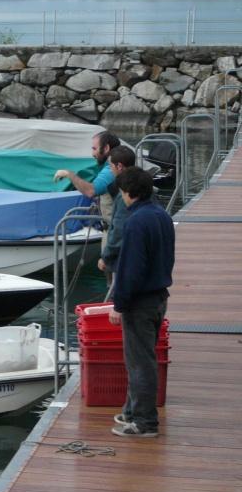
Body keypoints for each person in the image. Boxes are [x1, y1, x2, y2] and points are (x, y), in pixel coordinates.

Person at [109, 167, 175, 438]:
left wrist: (119, 304)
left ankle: (145, 423)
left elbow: (131, 270)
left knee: (140, 363)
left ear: (129, 193)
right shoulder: (162, 215)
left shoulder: (136, 223)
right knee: (141, 359)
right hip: (159, 296)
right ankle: (132, 411)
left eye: (122, 193)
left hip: (141, 302)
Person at [53, 131, 121, 224]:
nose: (92, 154)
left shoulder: (111, 169)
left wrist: (69, 174)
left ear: (106, 148)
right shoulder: (116, 163)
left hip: (114, 228)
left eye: (94, 148)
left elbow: (91, 191)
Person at [97, 145, 136, 280]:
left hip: (125, 251)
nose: (109, 169)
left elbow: (119, 228)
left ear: (119, 166)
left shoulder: (124, 193)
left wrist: (106, 257)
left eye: (110, 165)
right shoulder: (143, 184)